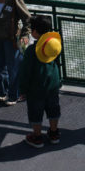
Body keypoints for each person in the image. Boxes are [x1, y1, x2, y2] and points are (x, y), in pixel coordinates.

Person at [17, 14, 63, 148]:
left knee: (35, 112)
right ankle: (54, 133)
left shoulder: (32, 51)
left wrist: (23, 89)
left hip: (36, 88)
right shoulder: (55, 44)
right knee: (53, 109)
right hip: (53, 84)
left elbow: (25, 72)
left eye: (32, 29)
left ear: (36, 32)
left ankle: (37, 137)